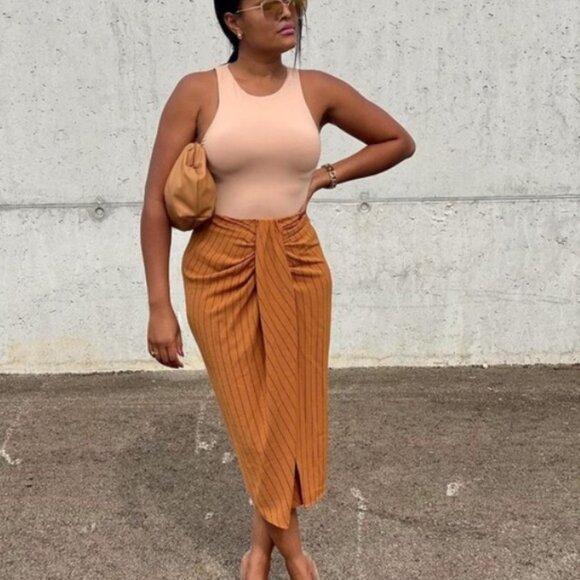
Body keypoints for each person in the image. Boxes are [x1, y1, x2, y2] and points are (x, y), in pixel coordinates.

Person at [140, 1, 415, 578]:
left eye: (294, 2)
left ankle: (260, 551)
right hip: (219, 264)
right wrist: (159, 306)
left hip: (296, 259)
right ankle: (295, 554)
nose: (287, 13)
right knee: (252, 418)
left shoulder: (316, 89)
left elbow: (396, 141)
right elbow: (155, 206)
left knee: (289, 412)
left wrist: (325, 176)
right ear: (234, 21)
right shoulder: (198, 91)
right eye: (269, 5)